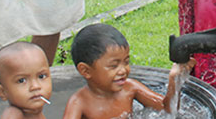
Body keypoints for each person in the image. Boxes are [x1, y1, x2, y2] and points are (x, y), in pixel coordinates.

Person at [63, 23, 195, 119]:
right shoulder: (79, 102)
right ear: (86, 71)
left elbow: (168, 110)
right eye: (114, 66)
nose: (123, 70)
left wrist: (174, 80)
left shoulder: (130, 88)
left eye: (126, 62)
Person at [0, 41, 53, 119]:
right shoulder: (13, 115)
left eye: (41, 76)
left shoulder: (34, 112)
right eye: (21, 80)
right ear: (2, 92)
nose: (35, 86)